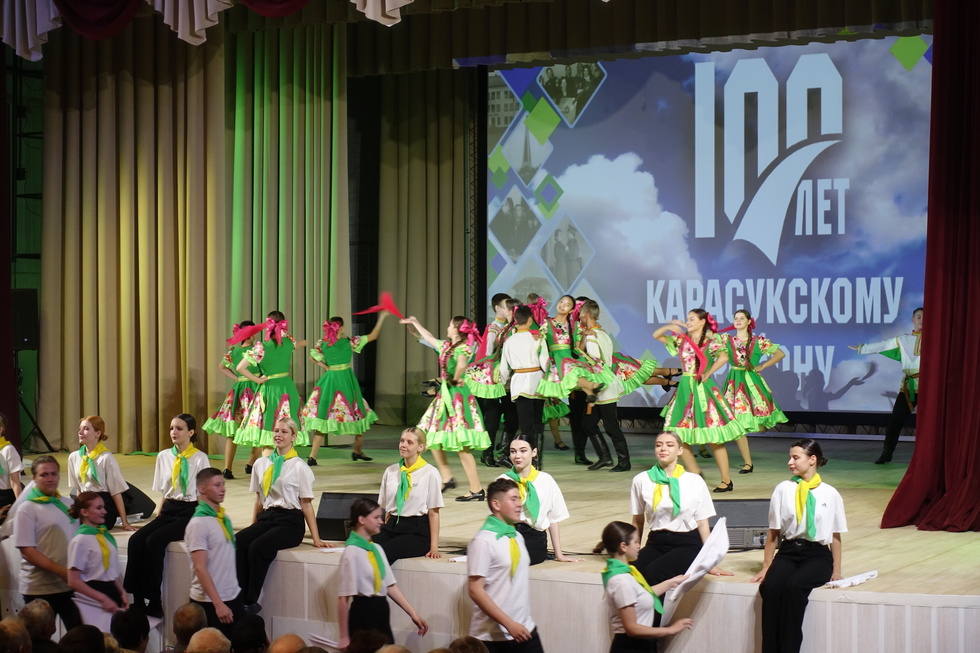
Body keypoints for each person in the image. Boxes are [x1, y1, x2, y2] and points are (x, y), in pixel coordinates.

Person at [751, 438, 846, 653]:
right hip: (789, 551)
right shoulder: (783, 489)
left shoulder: (830, 493)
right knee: (771, 587)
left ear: (812, 460)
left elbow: (835, 535)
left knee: (794, 587)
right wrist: (766, 566)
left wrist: (837, 570)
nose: (790, 462)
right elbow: (773, 532)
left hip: (817, 555)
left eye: (795, 457)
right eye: (790, 457)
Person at [237, 417, 329, 615]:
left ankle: (250, 601)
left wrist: (316, 538)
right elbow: (259, 501)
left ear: (294, 437)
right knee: (237, 542)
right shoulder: (261, 464)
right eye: (276, 431)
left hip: (289, 522)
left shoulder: (299, 466)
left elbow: (306, 505)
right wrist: (253, 527)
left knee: (258, 547)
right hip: (267, 518)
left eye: (284, 432)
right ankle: (238, 595)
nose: (278, 435)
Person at [123, 413, 209, 618]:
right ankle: (137, 599)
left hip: (190, 511)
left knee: (154, 541)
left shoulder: (200, 458)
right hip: (170, 508)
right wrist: (158, 517)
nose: (174, 432)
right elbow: (165, 492)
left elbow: (203, 495)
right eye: (171, 428)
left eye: (179, 428)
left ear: (191, 432)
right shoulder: (164, 456)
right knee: (136, 540)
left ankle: (154, 600)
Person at [400, 315, 491, 502]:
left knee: (461, 446)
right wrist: (416, 323)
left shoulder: (464, 347)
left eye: (450, 325)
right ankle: (447, 477)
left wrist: (455, 379)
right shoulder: (447, 346)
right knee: (431, 438)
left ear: (456, 329)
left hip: (457, 397)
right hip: (445, 396)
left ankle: (476, 489)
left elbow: (462, 364)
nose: (448, 328)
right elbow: (429, 338)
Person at [653, 309, 745, 492]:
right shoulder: (681, 340)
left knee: (714, 438)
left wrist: (708, 372)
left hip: (703, 388)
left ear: (702, 322)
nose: (688, 322)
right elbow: (657, 335)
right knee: (678, 435)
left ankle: (726, 480)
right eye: (687, 319)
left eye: (692, 319)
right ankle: (695, 472)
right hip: (685, 388)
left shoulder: (710, 342)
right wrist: (671, 327)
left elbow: (724, 356)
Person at [628, 432, 732, 594]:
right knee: (631, 572)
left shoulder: (694, 481)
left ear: (680, 450)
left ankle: (657, 612)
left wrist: (708, 562)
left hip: (687, 543)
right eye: (659, 445)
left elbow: (703, 523)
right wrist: (633, 551)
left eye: (670, 445)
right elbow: (638, 520)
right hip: (657, 541)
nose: (663, 448)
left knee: (655, 574)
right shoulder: (641, 480)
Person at [337, 498, 429, 648]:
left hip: (381, 610)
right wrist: (344, 637)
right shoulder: (352, 552)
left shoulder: (377, 549)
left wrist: (413, 614)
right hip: (363, 612)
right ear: (362, 519)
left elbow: (389, 585)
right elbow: (343, 597)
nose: (381, 521)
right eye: (376, 517)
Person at [467, 478, 543, 652]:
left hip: (525, 629)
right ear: (496, 504)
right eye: (513, 499)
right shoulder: (483, 541)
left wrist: (516, 624)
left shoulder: (517, 536)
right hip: (493, 637)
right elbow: (475, 590)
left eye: (519, 499)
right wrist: (509, 624)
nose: (519, 504)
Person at [302, 311, 387, 465]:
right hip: (345, 380)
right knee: (358, 412)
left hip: (330, 380)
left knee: (324, 415)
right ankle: (357, 450)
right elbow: (373, 335)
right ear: (340, 328)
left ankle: (313, 456)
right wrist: (382, 318)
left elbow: (312, 358)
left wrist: (327, 367)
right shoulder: (350, 342)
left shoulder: (322, 343)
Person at [599, 521, 693, 652]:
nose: (639, 546)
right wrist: (670, 630)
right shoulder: (621, 581)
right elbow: (632, 629)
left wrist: (671, 582)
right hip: (631, 647)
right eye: (636, 542)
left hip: (640, 646)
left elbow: (641, 595)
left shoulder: (626, 574)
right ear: (624, 546)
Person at [13, 455, 81, 629]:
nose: (50, 478)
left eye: (54, 473)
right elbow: (28, 551)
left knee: (79, 636)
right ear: (34, 478)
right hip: (40, 589)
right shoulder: (27, 509)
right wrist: (62, 572)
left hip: (70, 585)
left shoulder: (68, 503)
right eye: (44, 475)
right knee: (38, 639)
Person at [848, 307, 923, 463]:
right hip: (909, 386)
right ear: (913, 319)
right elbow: (884, 345)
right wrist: (863, 348)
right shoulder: (904, 339)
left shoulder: (936, 339)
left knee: (931, 423)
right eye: (918, 317)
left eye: (924, 317)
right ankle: (887, 452)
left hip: (929, 386)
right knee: (895, 421)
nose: (921, 319)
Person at [720, 310, 788, 474]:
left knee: (758, 421)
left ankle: (761, 428)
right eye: (736, 318)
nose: (738, 321)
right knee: (737, 423)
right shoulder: (726, 340)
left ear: (749, 321)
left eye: (742, 318)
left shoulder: (759, 341)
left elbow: (780, 353)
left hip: (751, 382)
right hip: (734, 382)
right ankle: (748, 463)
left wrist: (762, 366)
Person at [232, 310, 310, 449]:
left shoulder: (262, 347)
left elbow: (240, 368)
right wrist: (305, 342)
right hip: (287, 387)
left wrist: (258, 380)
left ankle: (268, 462)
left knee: (269, 429)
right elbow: (295, 344)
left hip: (270, 388)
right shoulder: (288, 342)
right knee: (288, 426)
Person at [496, 435, 579, 565]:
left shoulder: (546, 480)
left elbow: (553, 519)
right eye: (513, 451)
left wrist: (559, 555)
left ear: (534, 452)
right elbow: (496, 517)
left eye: (523, 451)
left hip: (533, 535)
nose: (517, 456)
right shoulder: (503, 480)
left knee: (515, 558)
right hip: (507, 532)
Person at [186, 468, 243, 634]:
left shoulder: (224, 518)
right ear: (202, 489)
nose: (223, 489)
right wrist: (218, 604)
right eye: (217, 485)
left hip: (232, 596)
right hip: (210, 602)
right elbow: (200, 568)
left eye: (223, 484)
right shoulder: (198, 524)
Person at [374, 427, 444, 563]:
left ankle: (381, 578)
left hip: (416, 531)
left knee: (384, 552)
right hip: (392, 526)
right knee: (362, 547)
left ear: (420, 447)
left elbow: (434, 512)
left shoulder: (430, 473)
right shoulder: (391, 471)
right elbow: (386, 508)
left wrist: (434, 547)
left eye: (409, 442)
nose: (403, 445)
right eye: (402, 441)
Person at [202, 320, 262, 480]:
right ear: (251, 334)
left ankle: (227, 468)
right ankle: (250, 463)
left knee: (233, 432)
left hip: (239, 389)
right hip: (256, 388)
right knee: (258, 427)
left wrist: (237, 378)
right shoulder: (257, 350)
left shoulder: (233, 351)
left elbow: (222, 366)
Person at [577, 300, 631, 472]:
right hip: (605, 383)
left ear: (586, 314)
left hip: (603, 385)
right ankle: (605, 457)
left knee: (611, 426)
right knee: (588, 422)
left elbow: (594, 362)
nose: (579, 317)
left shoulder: (592, 336)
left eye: (580, 314)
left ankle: (624, 461)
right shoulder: (603, 334)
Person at [66, 492, 127, 629]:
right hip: (93, 598)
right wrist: (102, 598)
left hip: (111, 593)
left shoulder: (104, 536)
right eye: (99, 508)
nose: (104, 511)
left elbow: (109, 571)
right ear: (84, 512)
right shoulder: (80, 541)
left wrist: (121, 591)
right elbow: (73, 581)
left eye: (103, 507)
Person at [498, 306, 551, 462]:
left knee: (525, 424)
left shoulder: (509, 341)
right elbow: (545, 362)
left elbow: (504, 367)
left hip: (519, 383)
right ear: (530, 320)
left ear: (515, 320)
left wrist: (502, 382)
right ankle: (537, 459)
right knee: (537, 422)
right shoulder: (538, 338)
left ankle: (529, 460)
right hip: (537, 382)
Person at [67, 416, 136, 531]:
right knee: (67, 524)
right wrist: (77, 509)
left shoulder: (106, 458)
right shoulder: (74, 457)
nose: (80, 432)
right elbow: (79, 489)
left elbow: (116, 492)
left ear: (97, 433)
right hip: (85, 502)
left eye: (86, 429)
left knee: (90, 526)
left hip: (102, 504)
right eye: (80, 429)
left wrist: (125, 523)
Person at [476, 294, 517, 467]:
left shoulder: (512, 327)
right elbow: (487, 355)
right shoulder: (493, 329)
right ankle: (487, 453)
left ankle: (503, 452)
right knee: (492, 419)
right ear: (497, 308)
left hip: (509, 381)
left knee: (512, 417)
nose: (511, 310)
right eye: (507, 307)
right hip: (493, 381)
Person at [0, 411, 24, 514]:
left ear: (1, 429)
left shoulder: (8, 450)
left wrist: (21, 508)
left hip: (6, 496)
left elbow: (15, 482)